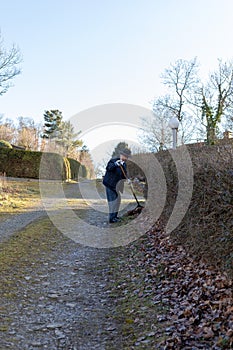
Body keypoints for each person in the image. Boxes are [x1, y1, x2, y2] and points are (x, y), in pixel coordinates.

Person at [103, 148, 131, 223]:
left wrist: (127, 179)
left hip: (117, 186)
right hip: (109, 184)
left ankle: (115, 216)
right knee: (113, 201)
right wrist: (115, 164)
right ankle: (111, 219)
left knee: (118, 201)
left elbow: (123, 175)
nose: (126, 158)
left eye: (127, 157)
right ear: (121, 155)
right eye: (125, 156)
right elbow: (108, 168)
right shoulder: (113, 160)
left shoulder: (124, 164)